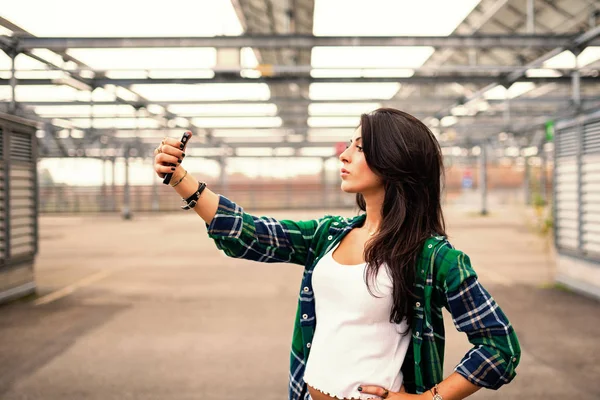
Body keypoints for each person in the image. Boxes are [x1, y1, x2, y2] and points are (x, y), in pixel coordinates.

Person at [153, 108, 521, 400]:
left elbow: (499, 346)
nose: (344, 155)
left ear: (393, 159)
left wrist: (430, 399)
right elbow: (250, 234)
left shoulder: (432, 257)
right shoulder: (329, 235)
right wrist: (180, 178)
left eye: (359, 147)